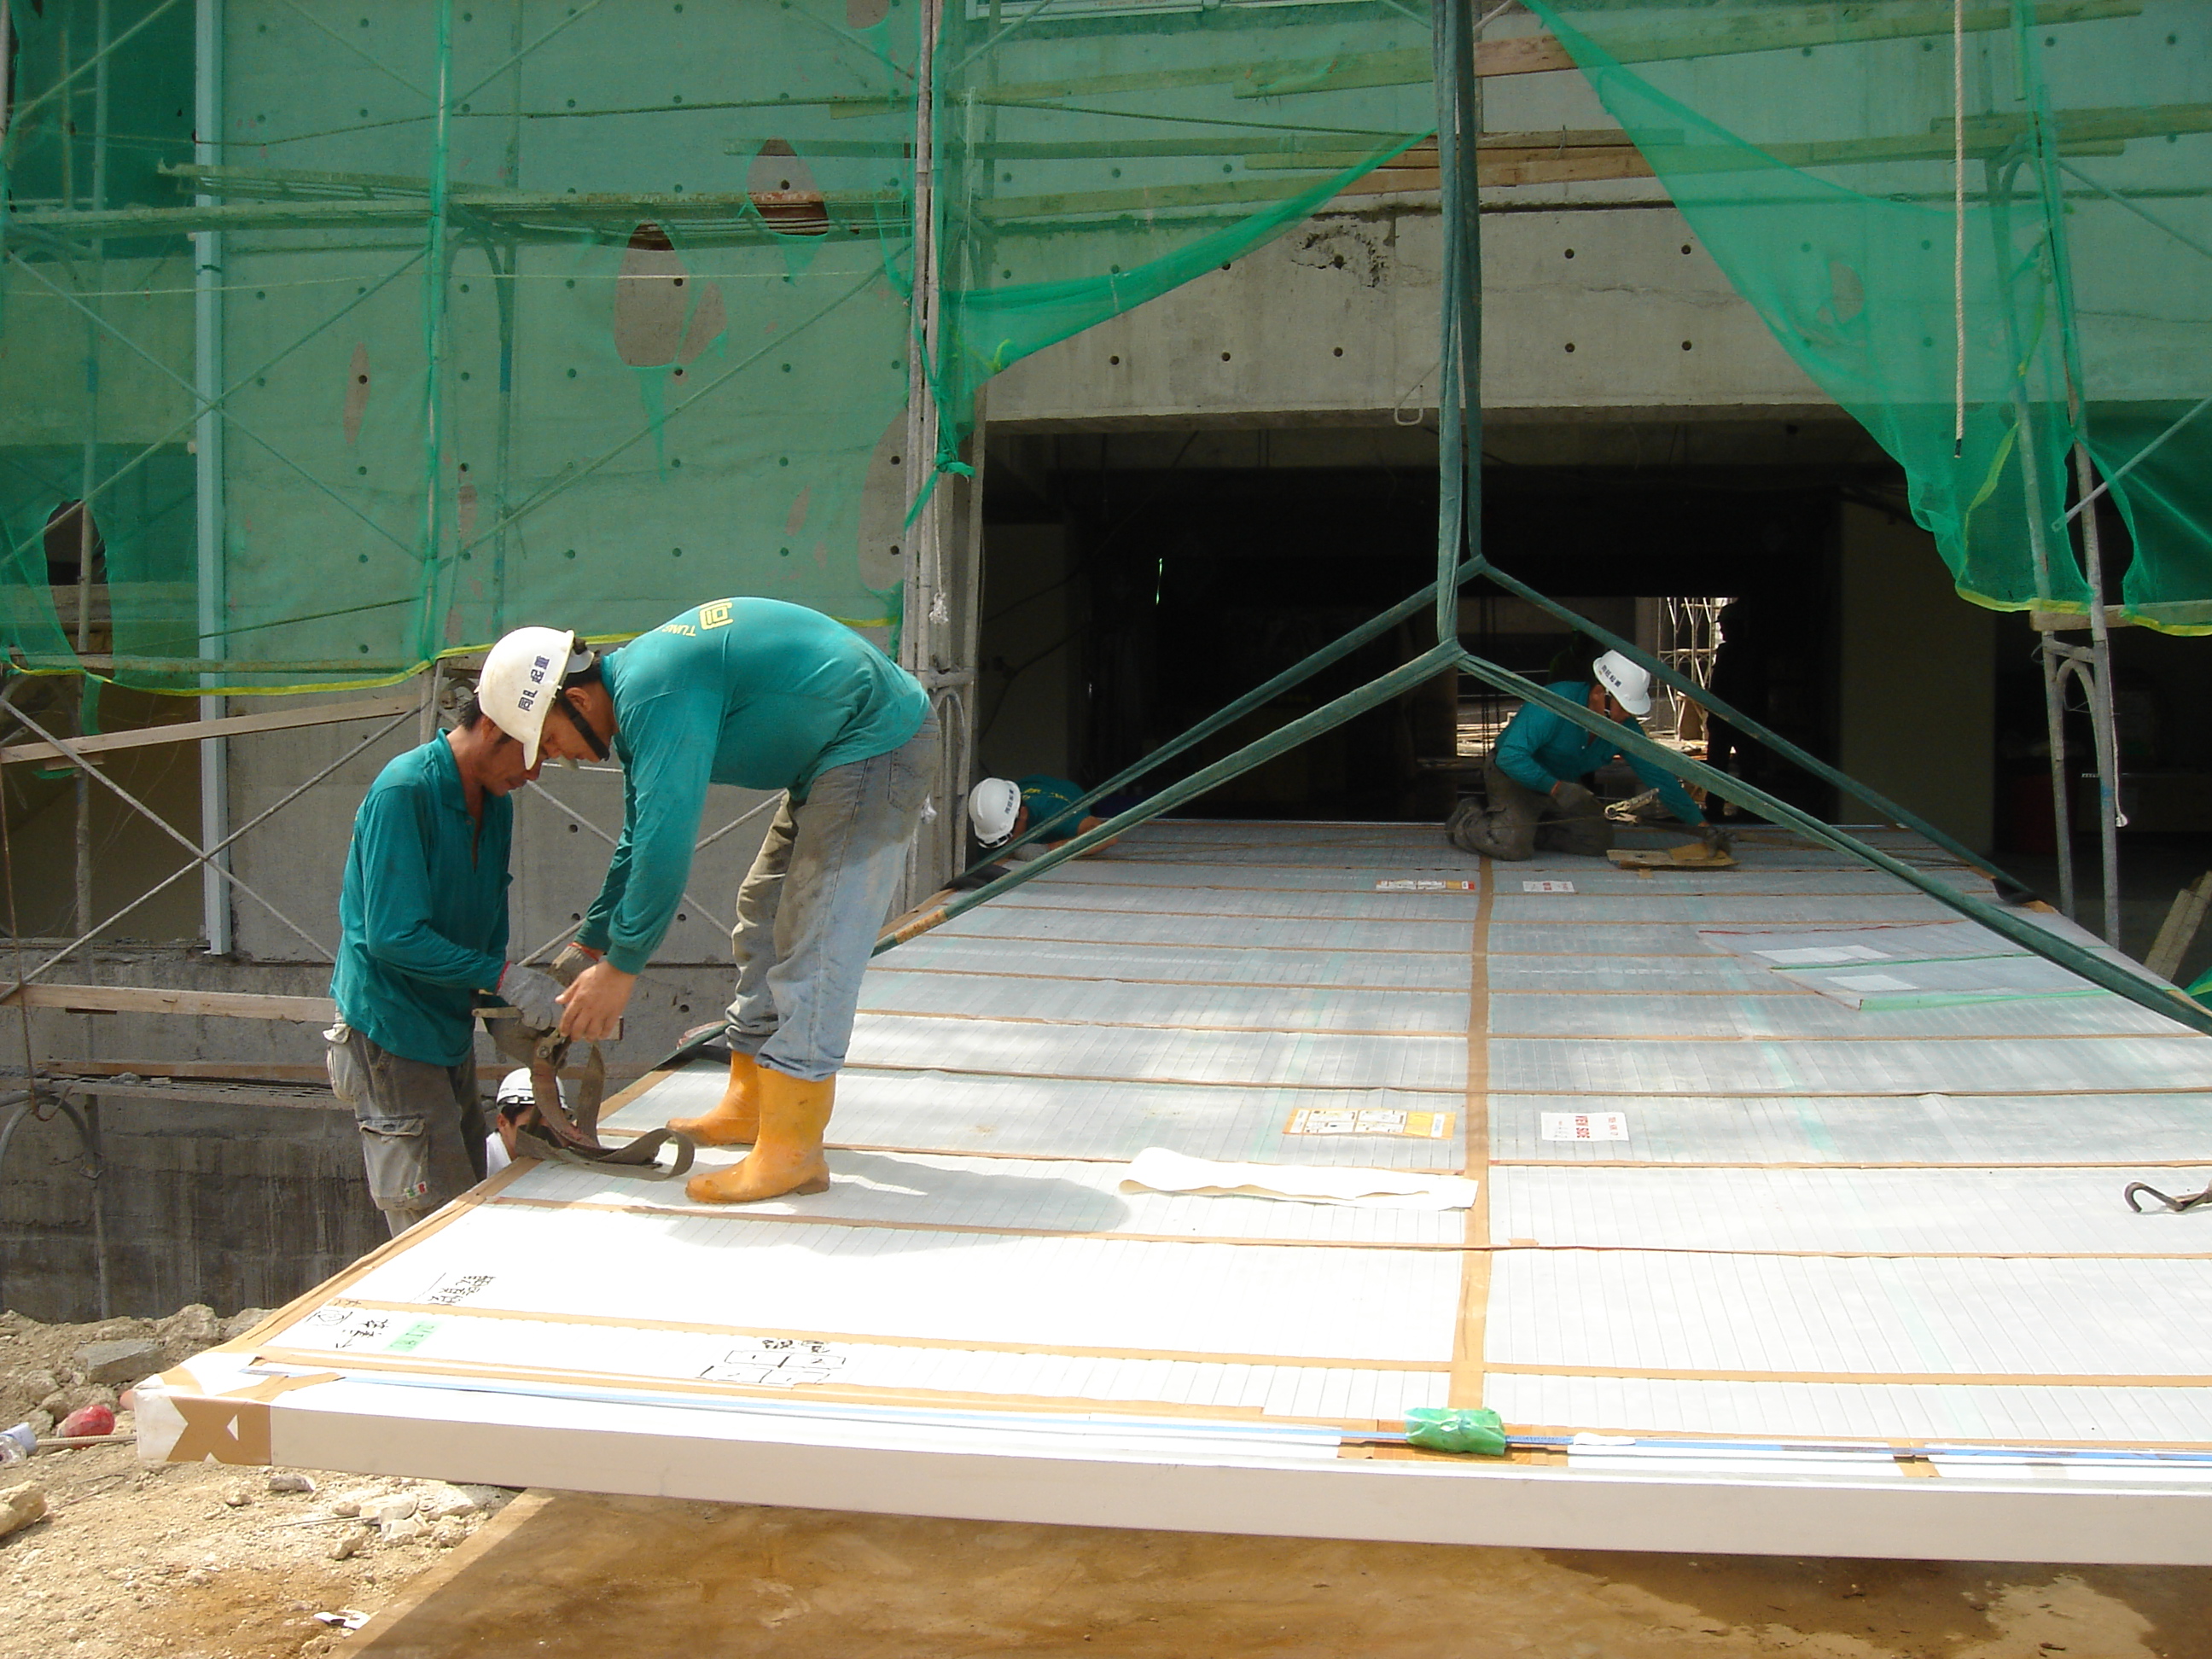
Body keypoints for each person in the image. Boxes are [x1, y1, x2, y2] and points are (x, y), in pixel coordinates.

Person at [474, 599, 934, 1206]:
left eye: (551, 739)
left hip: (878, 743)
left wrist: (622, 968)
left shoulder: (655, 696)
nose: (557, 758)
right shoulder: (639, 696)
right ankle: (751, 1100)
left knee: (816, 936)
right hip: (833, 755)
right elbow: (639, 840)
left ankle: (794, 1149)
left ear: (578, 701)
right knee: (764, 909)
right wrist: (593, 939)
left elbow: (667, 850)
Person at [326, 697, 566, 1235]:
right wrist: (504, 978)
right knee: (433, 1220)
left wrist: (504, 1003)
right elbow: (393, 937)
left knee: (469, 1195)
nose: (534, 772)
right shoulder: (404, 791)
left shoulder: (495, 798)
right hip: (392, 1027)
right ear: (489, 725)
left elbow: (487, 909)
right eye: (529, 753)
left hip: (445, 1022)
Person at [1447, 649, 1705, 860]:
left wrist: (1701, 827)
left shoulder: (1624, 728)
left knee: (1596, 841)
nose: (1628, 716)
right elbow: (1510, 757)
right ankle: (1468, 818)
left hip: (1561, 785)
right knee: (1511, 847)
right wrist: (1556, 788)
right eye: (1624, 707)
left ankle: (1526, 827)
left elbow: (1658, 775)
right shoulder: (1555, 702)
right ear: (1599, 694)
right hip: (1515, 777)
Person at [967, 773, 1112, 859]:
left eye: (1008, 837)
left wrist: (1047, 850)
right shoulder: (992, 821)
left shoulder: (1054, 812)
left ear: (1022, 814)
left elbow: (1107, 834)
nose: (1006, 844)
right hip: (1031, 783)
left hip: (1066, 792)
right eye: (998, 841)